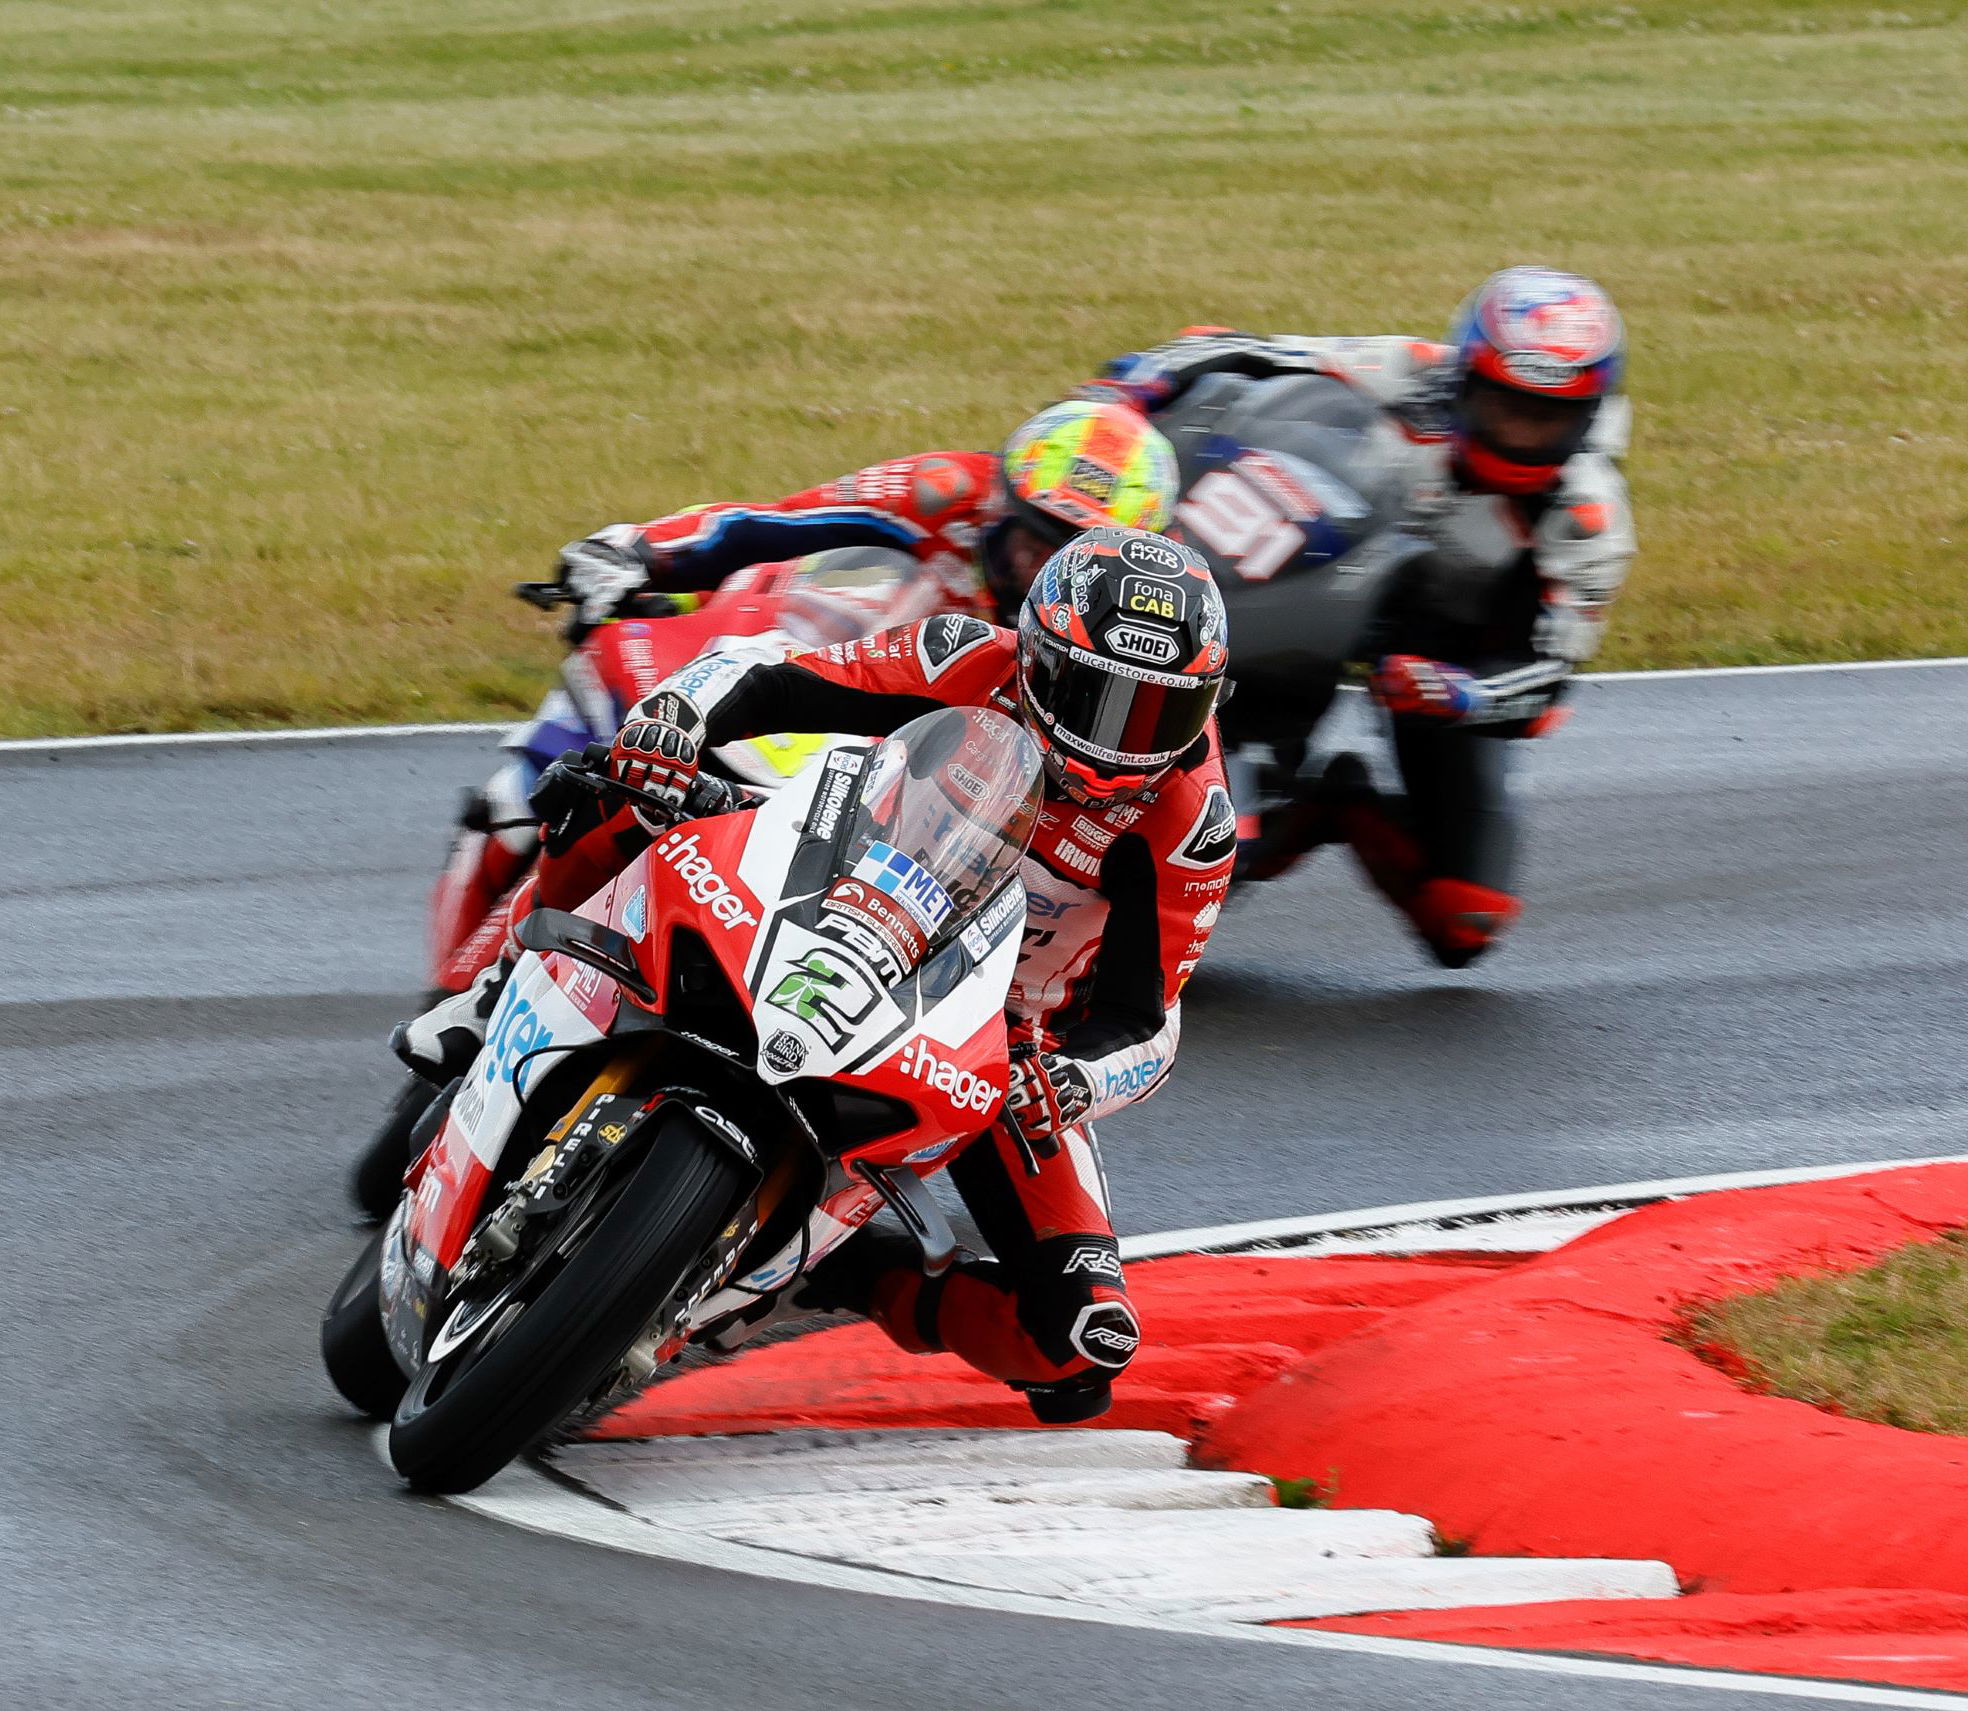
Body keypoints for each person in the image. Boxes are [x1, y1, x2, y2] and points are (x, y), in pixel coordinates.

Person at [401, 526, 1236, 1425]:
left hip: (999, 1040)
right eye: (1097, 699)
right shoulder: (960, 653)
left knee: (1077, 1344)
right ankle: (503, 982)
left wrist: (1073, 1079)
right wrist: (678, 717)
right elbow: (770, 674)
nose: (1118, 746)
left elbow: (1147, 1017)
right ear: (1035, 655)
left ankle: (837, 1271)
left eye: (1157, 716)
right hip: (838, 888)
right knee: (624, 784)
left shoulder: (1191, 823)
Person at [428, 399, 1181, 983]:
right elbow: (772, 523)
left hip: (909, 775)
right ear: (1003, 503)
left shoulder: (1134, 630)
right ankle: (456, 983)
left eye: (1068, 552)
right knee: (520, 796)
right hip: (813, 663)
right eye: (1031, 537)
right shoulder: (946, 489)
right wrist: (640, 554)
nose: (1036, 568)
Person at [1086, 267, 1635, 967]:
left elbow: (1551, 681)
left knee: (1466, 918)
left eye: (1547, 418)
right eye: (1504, 405)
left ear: (1588, 416)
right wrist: (1132, 387)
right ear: (1468, 378)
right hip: (1317, 585)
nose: (1521, 433)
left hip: (1440, 672)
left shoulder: (1590, 520)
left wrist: (1461, 692)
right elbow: (1237, 349)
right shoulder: (1413, 372)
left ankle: (1325, 806)